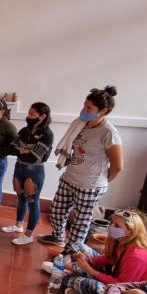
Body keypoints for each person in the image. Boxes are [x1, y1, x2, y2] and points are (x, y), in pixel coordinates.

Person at [38, 86, 123, 254]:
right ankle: (58, 237)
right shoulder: (80, 124)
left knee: (80, 222)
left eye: (89, 108)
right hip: (70, 178)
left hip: (90, 185)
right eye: (84, 105)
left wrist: (100, 183)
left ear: (103, 111)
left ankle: (71, 252)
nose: (84, 110)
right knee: (57, 211)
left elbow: (118, 166)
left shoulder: (108, 133)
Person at [48, 209, 147, 294]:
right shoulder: (122, 241)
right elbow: (108, 258)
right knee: (77, 246)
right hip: (114, 276)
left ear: (130, 232)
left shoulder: (137, 256)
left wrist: (91, 271)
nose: (111, 227)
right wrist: (90, 260)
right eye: (112, 223)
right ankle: (71, 273)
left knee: (78, 281)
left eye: (117, 226)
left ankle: (66, 275)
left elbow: (122, 286)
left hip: (126, 293)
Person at [0, 102, 54, 243]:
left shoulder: (47, 134)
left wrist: (22, 150)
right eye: (28, 113)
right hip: (20, 167)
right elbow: (11, 149)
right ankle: (19, 225)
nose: (28, 116)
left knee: (32, 201)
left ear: (42, 116)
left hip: (35, 171)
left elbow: (33, 157)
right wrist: (26, 150)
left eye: (32, 114)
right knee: (21, 197)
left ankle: (29, 236)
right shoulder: (25, 131)